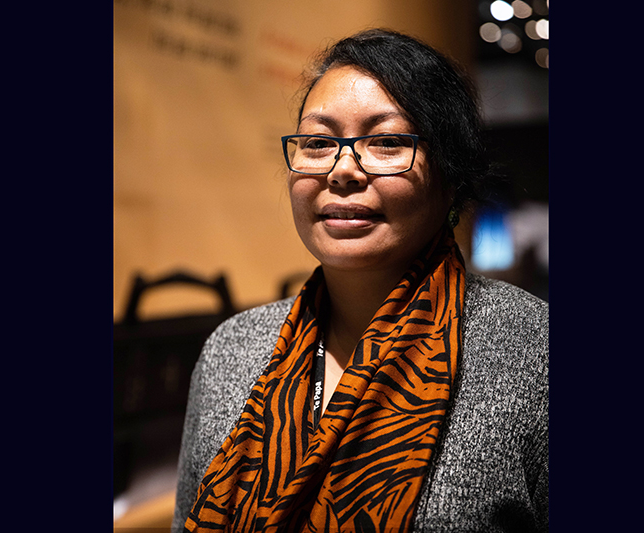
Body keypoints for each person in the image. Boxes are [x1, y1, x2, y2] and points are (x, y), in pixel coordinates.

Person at [172, 28, 548, 532]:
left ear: (451, 174)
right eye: (319, 142)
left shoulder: (531, 350)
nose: (342, 170)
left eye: (387, 141)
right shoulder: (232, 350)